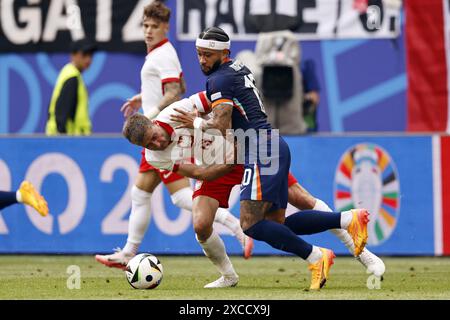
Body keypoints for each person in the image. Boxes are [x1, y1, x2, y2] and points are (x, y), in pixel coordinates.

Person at [170, 26, 371, 290]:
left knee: (250, 224)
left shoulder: (218, 80)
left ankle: (317, 257)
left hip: (259, 149)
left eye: (208, 55)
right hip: (271, 144)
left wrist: (195, 122)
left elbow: (221, 122)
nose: (202, 61)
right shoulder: (238, 69)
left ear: (224, 53)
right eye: (199, 54)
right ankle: (346, 220)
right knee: (278, 223)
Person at [123, 94, 370, 290]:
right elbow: (198, 174)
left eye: (154, 137)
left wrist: (232, 140)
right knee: (200, 223)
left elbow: (224, 102)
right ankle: (228, 276)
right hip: (216, 168)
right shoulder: (154, 157)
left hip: (249, 152)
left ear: (154, 123)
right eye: (148, 144)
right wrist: (228, 162)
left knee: (298, 200)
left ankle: (358, 248)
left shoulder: (177, 111)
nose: (157, 144)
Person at [95, 1, 248, 270]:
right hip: (157, 134)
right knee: (150, 194)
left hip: (164, 133)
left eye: (154, 26)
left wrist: (149, 115)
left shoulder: (164, 54)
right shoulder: (157, 54)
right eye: (145, 25)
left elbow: (175, 92)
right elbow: (180, 85)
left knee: (152, 194)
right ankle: (130, 251)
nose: (148, 31)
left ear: (166, 27)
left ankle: (230, 224)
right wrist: (143, 99)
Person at [45, 38, 97, 135]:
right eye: (84, 54)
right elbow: (61, 112)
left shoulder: (70, 74)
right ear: (73, 55)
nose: (88, 59)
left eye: (90, 55)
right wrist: (63, 140)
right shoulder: (72, 77)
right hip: (67, 140)